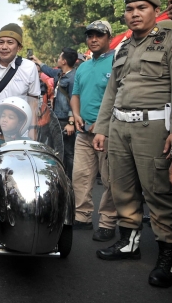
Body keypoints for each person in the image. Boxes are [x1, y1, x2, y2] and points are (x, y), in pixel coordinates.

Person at [93, 0, 172, 288]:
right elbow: (112, 92)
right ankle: (129, 243)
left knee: (159, 193)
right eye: (129, 8)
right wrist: (102, 128)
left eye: (141, 7)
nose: (134, 13)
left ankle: (168, 256)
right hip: (119, 127)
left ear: (156, 10)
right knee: (122, 190)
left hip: (155, 128)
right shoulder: (123, 48)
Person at [70, 20, 117, 240]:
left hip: (108, 132)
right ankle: (82, 216)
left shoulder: (118, 61)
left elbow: (121, 97)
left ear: (109, 37)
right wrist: (76, 115)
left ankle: (107, 222)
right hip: (84, 132)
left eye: (99, 35)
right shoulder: (84, 66)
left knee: (109, 180)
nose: (94, 39)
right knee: (80, 176)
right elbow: (75, 95)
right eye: (90, 35)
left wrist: (105, 125)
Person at [31, 48, 78, 181]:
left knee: (68, 152)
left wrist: (71, 122)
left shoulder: (73, 77)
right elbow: (48, 70)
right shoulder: (60, 74)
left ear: (63, 61)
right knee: (57, 149)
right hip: (57, 118)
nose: (57, 59)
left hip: (66, 120)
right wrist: (37, 61)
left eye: (59, 57)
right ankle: (59, 178)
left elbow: (74, 99)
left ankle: (70, 181)